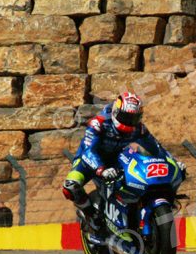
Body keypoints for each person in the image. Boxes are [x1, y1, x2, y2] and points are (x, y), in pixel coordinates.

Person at [61, 92, 184, 238]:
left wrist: (173, 162)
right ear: (116, 112)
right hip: (90, 160)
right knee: (70, 186)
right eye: (126, 117)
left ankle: (130, 215)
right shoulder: (99, 123)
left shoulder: (139, 128)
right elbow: (89, 150)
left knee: (138, 180)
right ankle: (91, 218)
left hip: (118, 161)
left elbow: (157, 148)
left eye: (133, 118)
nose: (129, 121)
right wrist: (101, 169)